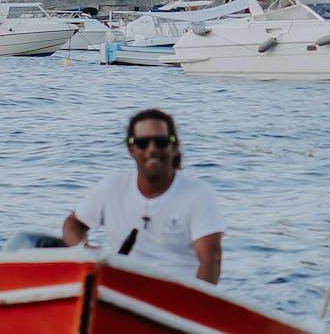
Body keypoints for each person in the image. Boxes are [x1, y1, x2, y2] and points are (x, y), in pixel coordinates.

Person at [61, 108, 224, 283]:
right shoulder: (111, 189)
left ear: (174, 146)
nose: (152, 149)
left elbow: (210, 260)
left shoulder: (199, 195)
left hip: (178, 296)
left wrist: (195, 306)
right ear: (131, 149)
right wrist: (83, 250)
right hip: (124, 287)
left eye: (161, 142)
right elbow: (73, 224)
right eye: (142, 143)